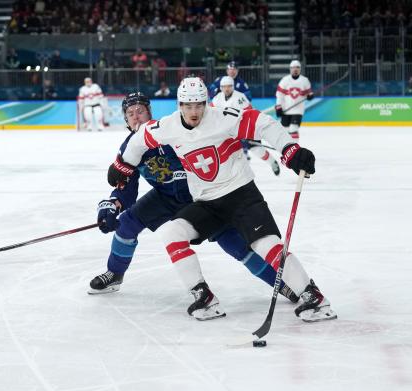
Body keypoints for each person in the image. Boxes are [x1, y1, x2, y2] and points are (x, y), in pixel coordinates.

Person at [108, 77, 336, 323]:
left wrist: (290, 149)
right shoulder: (168, 127)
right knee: (172, 233)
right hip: (206, 203)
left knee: (265, 245)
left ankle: (314, 297)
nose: (194, 112)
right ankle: (203, 296)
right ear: (179, 104)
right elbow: (140, 139)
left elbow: (264, 124)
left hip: (241, 195)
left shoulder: (224, 118)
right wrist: (122, 165)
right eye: (188, 105)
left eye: (198, 105)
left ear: (206, 102)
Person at [90, 92, 299, 305]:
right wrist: (113, 205)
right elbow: (126, 187)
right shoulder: (130, 147)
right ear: (125, 119)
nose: (136, 116)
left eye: (140, 111)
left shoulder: (168, 131)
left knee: (235, 245)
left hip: (199, 198)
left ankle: (282, 283)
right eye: (130, 113)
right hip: (165, 197)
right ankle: (114, 273)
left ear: (149, 113)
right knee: (126, 224)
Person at [212, 76, 280, 176]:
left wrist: (245, 133)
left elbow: (249, 114)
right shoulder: (217, 99)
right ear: (221, 88)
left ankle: (272, 162)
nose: (226, 89)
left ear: (233, 86)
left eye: (229, 86)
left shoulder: (240, 97)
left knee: (258, 150)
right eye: (224, 87)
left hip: (245, 129)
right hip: (228, 132)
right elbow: (212, 114)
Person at [275, 60, 314, 141]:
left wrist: (310, 96)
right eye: (293, 67)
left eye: (297, 67)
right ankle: (286, 149)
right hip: (286, 109)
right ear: (290, 69)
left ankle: (295, 149)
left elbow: (309, 93)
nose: (295, 69)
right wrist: (278, 107)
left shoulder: (305, 80)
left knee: (293, 129)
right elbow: (279, 95)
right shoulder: (284, 80)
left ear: (300, 69)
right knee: (285, 131)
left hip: (298, 110)